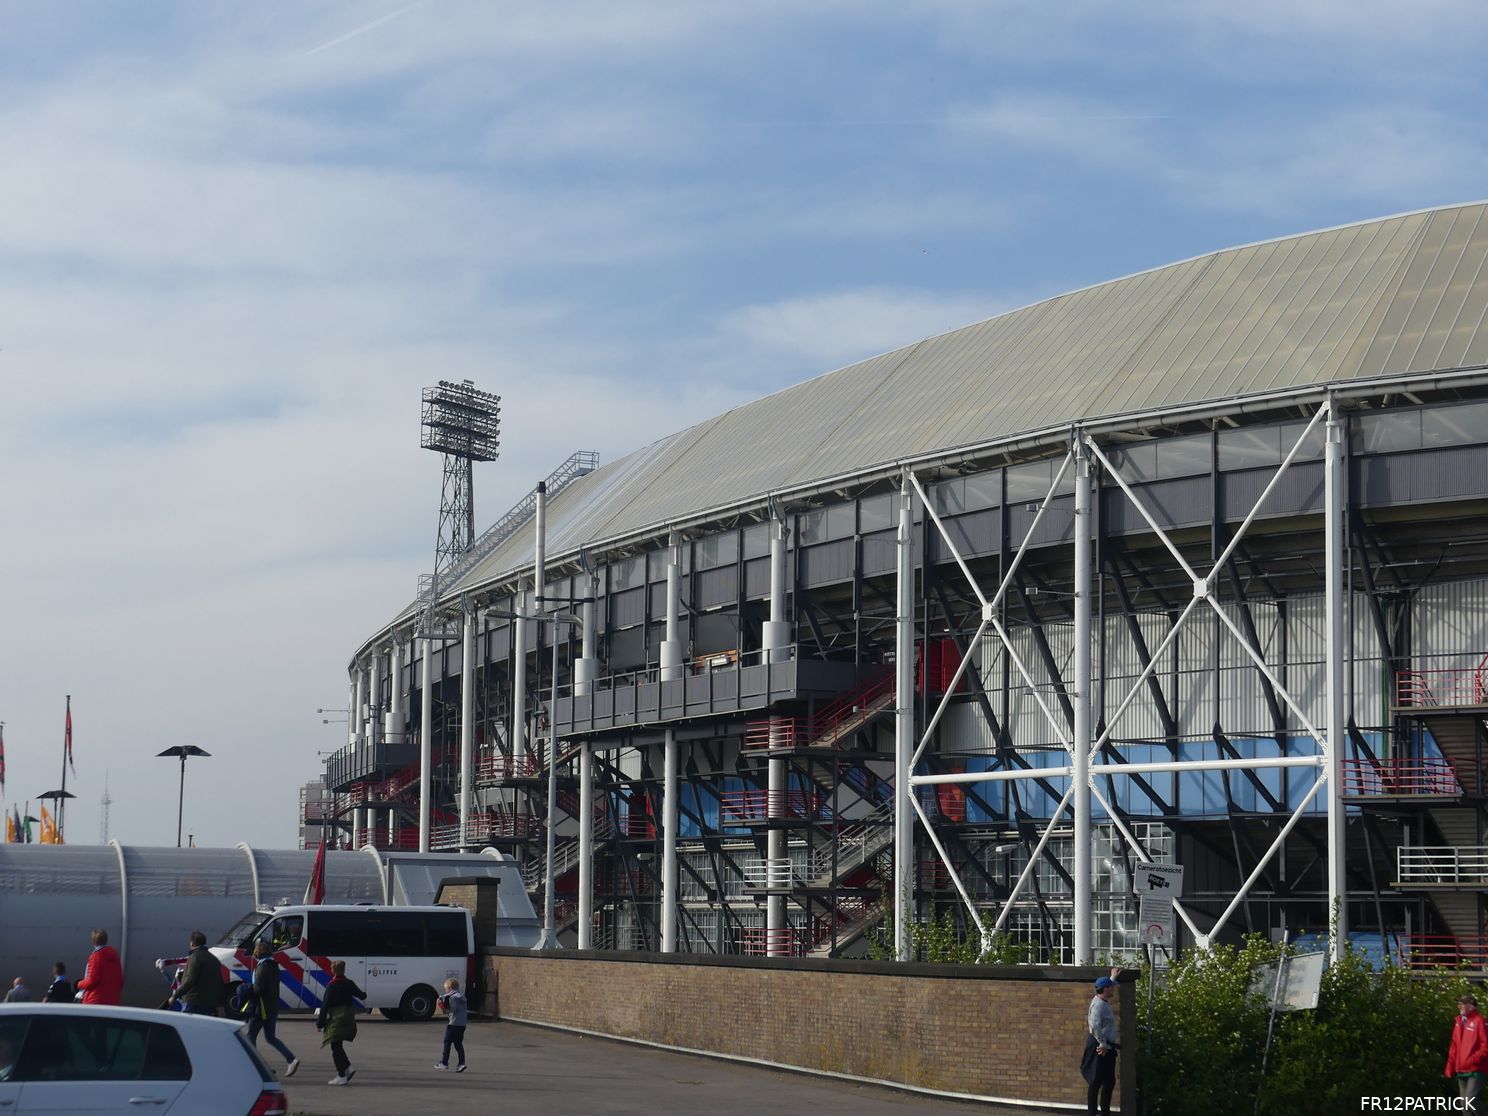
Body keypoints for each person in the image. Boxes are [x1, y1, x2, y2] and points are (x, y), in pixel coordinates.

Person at [245, 942, 299, 1078]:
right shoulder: (274, 966)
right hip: (272, 1006)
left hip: (260, 1007)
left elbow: (258, 989)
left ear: (258, 953)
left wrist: (247, 990)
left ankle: (257, 1066)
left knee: (251, 1035)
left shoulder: (261, 968)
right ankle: (291, 1059)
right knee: (270, 1037)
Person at [318, 960, 364, 1086]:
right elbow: (362, 995)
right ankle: (348, 1068)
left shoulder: (331, 986)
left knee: (335, 1046)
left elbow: (325, 1005)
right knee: (338, 1045)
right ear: (344, 970)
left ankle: (342, 1075)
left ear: (332, 970)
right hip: (349, 1017)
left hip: (337, 1017)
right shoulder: (349, 983)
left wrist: (320, 1023)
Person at [1083, 967, 1121, 1116]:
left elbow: (1107, 985)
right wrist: (1103, 1044)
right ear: (1106, 989)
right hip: (1100, 1046)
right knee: (1096, 1082)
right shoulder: (1098, 1005)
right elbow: (1094, 1026)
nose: (1113, 989)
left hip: (1107, 1046)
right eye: (1112, 987)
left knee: (1109, 1081)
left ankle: (1105, 1111)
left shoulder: (1101, 999)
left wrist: (1112, 978)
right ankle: (1093, 1113)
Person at [1445, 992, 1488, 1106]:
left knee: (1471, 1101)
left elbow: (1485, 1047)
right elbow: (1454, 1046)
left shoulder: (1479, 1021)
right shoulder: (1459, 1022)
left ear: (1471, 1005)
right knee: (1464, 1105)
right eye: (1458, 1004)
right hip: (1461, 1069)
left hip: (1476, 1069)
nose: (1459, 1006)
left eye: (1462, 1003)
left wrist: (1471, 1060)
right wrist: (1450, 1065)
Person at [171, 930, 223, 1016]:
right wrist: (221, 1005)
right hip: (209, 1004)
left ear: (192, 943)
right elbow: (220, 983)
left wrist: (175, 996)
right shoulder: (214, 960)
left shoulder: (194, 957)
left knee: (188, 1026)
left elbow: (190, 980)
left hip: (193, 1002)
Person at [76, 928, 123, 1005]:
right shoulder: (115, 956)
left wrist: (79, 984)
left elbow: (92, 981)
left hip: (95, 1000)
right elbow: (120, 980)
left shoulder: (96, 956)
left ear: (93, 941)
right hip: (113, 1001)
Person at [434, 978, 468, 1072]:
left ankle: (444, 1063)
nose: (445, 991)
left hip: (453, 1024)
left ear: (449, 987)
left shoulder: (452, 997)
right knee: (458, 1044)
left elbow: (452, 1010)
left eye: (446, 989)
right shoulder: (461, 996)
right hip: (462, 1024)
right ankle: (461, 1063)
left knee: (447, 1042)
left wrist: (442, 1006)